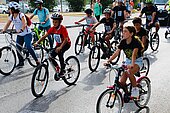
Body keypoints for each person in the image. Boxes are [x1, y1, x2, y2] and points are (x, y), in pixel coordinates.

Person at [105, 26, 144, 98]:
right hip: (128, 61)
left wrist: (132, 64)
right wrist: (109, 61)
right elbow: (116, 53)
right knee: (122, 82)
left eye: (125, 31)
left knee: (129, 72)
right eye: (123, 31)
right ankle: (127, 94)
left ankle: (135, 89)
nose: (123, 33)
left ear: (131, 34)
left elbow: (134, 54)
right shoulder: (123, 41)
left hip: (137, 61)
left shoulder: (135, 42)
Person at [2, 2, 40, 68]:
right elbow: (8, 24)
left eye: (10, 9)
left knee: (28, 47)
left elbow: (24, 23)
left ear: (13, 9)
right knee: (18, 48)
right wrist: (4, 30)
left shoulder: (21, 15)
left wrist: (22, 29)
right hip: (20, 35)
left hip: (27, 33)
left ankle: (37, 61)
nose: (8, 10)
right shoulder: (12, 16)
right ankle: (21, 62)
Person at [34, 13, 71, 81]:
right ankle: (57, 67)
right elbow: (44, 36)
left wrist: (60, 47)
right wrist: (37, 42)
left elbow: (66, 39)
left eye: (56, 22)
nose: (54, 23)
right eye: (53, 22)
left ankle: (62, 70)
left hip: (66, 44)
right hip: (58, 45)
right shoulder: (52, 29)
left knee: (60, 53)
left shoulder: (63, 28)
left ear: (60, 22)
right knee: (50, 56)